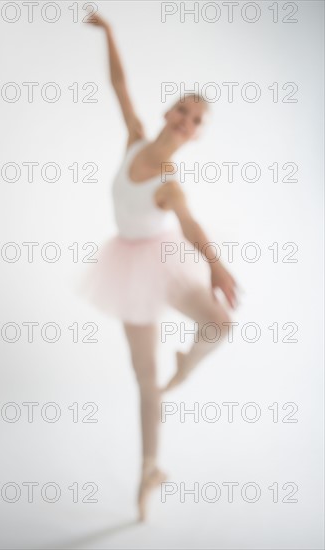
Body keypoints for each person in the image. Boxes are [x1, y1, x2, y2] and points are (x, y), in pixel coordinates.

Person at [81, 12, 241, 522]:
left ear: (196, 136)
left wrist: (215, 265)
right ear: (168, 112)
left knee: (219, 323)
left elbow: (191, 226)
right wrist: (109, 32)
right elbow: (119, 84)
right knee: (142, 378)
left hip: (167, 259)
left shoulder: (171, 182)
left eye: (195, 120)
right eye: (181, 110)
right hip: (128, 265)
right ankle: (149, 469)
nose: (184, 121)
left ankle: (185, 369)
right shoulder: (134, 137)